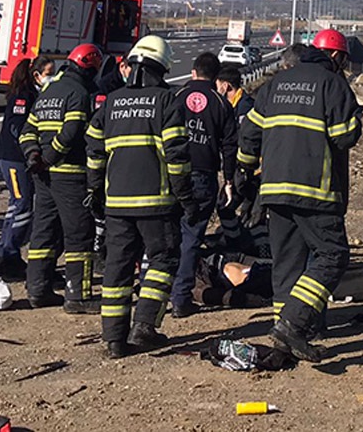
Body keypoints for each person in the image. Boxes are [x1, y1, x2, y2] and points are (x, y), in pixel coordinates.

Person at [237, 29, 363, 362]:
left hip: (275, 189)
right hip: (316, 189)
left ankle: (288, 331)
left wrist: (245, 174)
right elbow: (344, 138)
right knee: (332, 255)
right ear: (336, 57)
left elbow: (249, 134)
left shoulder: (274, 85)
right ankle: (293, 325)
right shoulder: (333, 84)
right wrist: (355, 118)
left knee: (287, 263)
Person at [86, 35, 197, 358]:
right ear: (162, 67)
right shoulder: (166, 100)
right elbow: (176, 156)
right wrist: (186, 198)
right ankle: (145, 325)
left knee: (117, 270)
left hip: (117, 203)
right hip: (157, 203)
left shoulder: (112, 102)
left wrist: (95, 191)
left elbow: (94, 150)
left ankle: (113, 340)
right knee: (162, 261)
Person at [20, 44, 103, 313]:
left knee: (44, 232)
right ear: (89, 68)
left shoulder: (47, 92)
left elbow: (27, 130)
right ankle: (77, 296)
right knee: (79, 234)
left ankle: (38, 290)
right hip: (70, 174)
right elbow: (72, 131)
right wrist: (50, 157)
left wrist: (34, 156)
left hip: (42, 178)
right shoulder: (79, 92)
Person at [169, 52, 237, 318]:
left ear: (193, 72)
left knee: (165, 236)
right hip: (203, 177)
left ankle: (153, 294)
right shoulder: (221, 103)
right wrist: (228, 180)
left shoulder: (175, 96)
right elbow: (230, 146)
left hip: (172, 174)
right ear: (216, 77)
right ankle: (180, 298)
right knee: (191, 237)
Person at [0, 55, 56, 281]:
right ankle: (8, 256)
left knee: (16, 205)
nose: (53, 77)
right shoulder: (23, 96)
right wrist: (31, 150)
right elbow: (17, 128)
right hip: (14, 159)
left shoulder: (34, 94)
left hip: (18, 160)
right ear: (36, 75)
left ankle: (5, 253)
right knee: (22, 206)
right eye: (50, 73)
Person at [214, 66, 260, 251]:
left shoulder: (245, 107)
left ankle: (237, 245)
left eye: (218, 86)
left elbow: (246, 140)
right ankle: (238, 242)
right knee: (237, 209)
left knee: (228, 206)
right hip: (238, 168)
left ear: (225, 86)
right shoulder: (233, 106)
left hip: (248, 169)